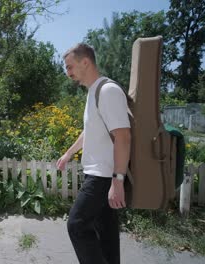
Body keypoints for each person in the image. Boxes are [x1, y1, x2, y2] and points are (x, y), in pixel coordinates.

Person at [56, 43, 131, 264]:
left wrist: (118, 180)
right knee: (106, 232)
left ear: (85, 62)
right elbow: (89, 131)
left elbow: (123, 136)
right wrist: (69, 153)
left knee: (77, 225)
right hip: (98, 175)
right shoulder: (94, 92)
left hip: (104, 176)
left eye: (70, 67)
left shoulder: (108, 91)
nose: (68, 73)